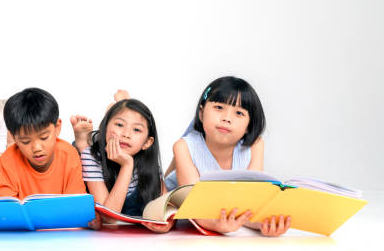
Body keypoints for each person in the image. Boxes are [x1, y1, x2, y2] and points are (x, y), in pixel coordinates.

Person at [165, 76, 291, 236]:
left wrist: (264, 224)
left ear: (248, 126)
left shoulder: (255, 146)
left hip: (223, 208)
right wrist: (215, 225)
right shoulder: (183, 147)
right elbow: (193, 206)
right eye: (219, 107)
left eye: (239, 112)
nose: (227, 118)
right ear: (202, 113)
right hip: (179, 205)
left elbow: (249, 203)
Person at [72, 97, 170, 233]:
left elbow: (167, 206)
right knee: (80, 153)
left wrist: (168, 223)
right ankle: (82, 143)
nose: (126, 134)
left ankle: (84, 140)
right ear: (104, 128)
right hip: (106, 232)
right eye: (119, 125)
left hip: (134, 237)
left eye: (136, 130)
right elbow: (109, 218)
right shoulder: (92, 156)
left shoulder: (148, 164)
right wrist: (127, 166)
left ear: (147, 142)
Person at [0, 87, 87, 199]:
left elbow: (75, 205)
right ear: (14, 137)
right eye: (25, 141)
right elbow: (7, 211)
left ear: (57, 128)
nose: (37, 148)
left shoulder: (68, 155)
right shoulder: (7, 161)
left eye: (44, 137)